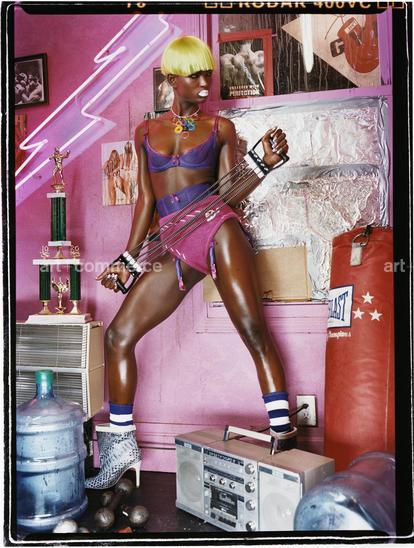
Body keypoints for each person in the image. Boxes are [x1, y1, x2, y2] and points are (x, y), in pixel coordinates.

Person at [86, 35, 292, 490]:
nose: (204, 82)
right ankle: (121, 448)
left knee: (254, 330)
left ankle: (284, 435)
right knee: (118, 336)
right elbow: (145, 201)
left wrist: (263, 165)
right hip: (172, 243)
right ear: (172, 79)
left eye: (207, 74)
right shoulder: (145, 132)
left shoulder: (220, 128)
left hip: (219, 229)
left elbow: (228, 192)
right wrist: (128, 259)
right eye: (194, 74)